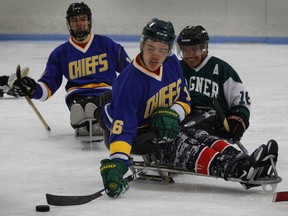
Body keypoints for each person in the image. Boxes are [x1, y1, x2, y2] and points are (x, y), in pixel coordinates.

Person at [97, 18, 278, 199]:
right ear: (142, 45)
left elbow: (184, 98)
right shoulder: (129, 83)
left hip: (162, 125)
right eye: (151, 48)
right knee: (186, 147)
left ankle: (246, 162)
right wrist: (119, 160)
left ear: (169, 51)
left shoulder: (172, 64)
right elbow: (123, 128)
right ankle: (240, 170)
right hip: (139, 136)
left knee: (201, 136)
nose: (155, 55)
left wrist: (173, 113)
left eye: (162, 50)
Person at [11, 2, 130, 141]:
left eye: (82, 19)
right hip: (77, 96)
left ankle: (99, 117)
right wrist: (31, 89)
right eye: (74, 20)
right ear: (69, 23)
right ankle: (88, 120)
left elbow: (130, 72)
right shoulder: (60, 53)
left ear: (89, 21)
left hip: (105, 94)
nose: (79, 23)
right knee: (79, 107)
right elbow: (47, 88)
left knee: (101, 103)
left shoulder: (107, 44)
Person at [177, 25, 250, 142]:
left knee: (193, 132)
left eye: (194, 49)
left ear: (204, 48)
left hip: (212, 120)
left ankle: (221, 156)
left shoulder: (221, 68)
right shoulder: (177, 68)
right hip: (183, 116)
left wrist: (238, 118)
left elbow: (241, 100)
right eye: (185, 50)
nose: (189, 55)